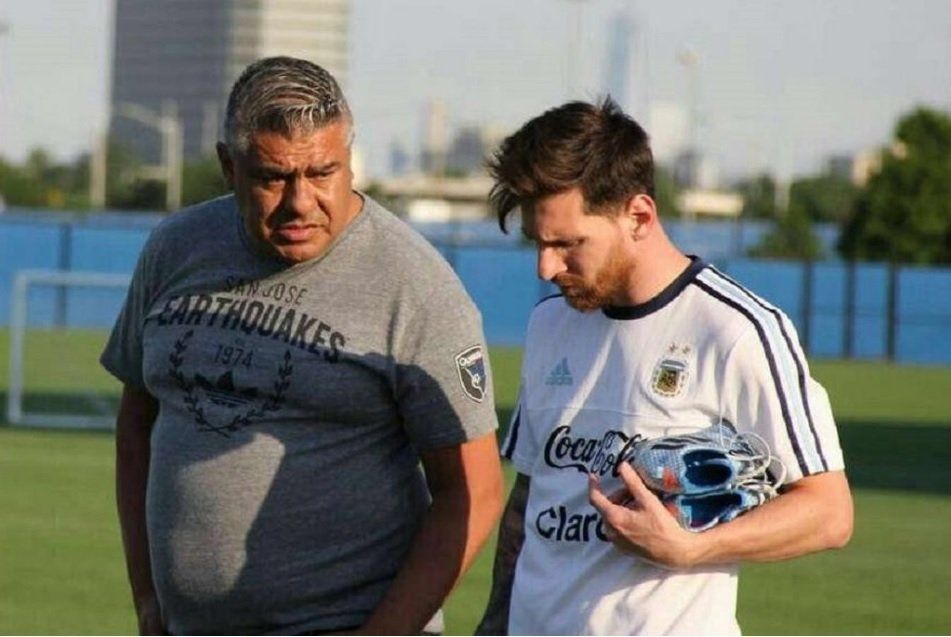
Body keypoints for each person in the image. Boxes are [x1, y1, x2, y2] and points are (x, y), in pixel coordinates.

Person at [102, 56, 504, 635]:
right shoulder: (176, 249)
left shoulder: (415, 284)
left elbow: (475, 491)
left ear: (348, 161)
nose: (300, 202)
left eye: (322, 173)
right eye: (273, 177)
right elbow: (136, 428)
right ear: (227, 167)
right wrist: (147, 599)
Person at [476, 98, 853, 635]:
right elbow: (531, 496)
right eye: (539, 243)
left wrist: (692, 548)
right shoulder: (549, 324)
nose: (547, 265)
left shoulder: (736, 330)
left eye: (567, 244)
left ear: (639, 216)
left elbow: (829, 513)